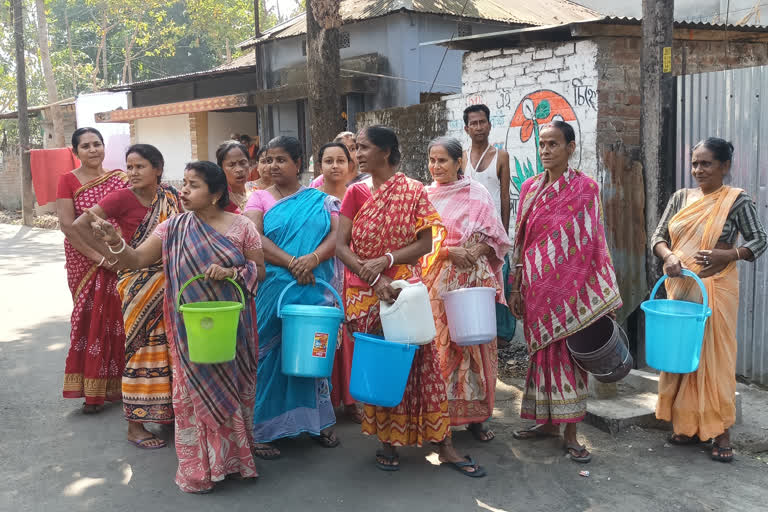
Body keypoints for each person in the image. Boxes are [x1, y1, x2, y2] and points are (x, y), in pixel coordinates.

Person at [87, 160, 265, 493]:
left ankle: (235, 462)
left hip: (232, 330)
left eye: (193, 185)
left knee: (235, 392)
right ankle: (199, 470)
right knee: (192, 398)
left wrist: (233, 273)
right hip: (189, 334)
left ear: (214, 194)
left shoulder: (242, 227)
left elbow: (260, 270)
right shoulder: (172, 228)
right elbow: (136, 260)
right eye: (183, 183)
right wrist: (114, 240)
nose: (183, 190)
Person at [336, 125, 485, 477]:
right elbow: (342, 247)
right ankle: (387, 441)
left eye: (364, 148)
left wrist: (388, 262)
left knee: (423, 365)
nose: (357, 154)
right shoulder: (354, 194)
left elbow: (425, 242)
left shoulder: (413, 190)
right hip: (368, 291)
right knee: (383, 366)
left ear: (386, 152)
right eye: (356, 148)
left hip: (405, 291)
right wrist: (375, 277)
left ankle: (444, 444)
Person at [509, 121, 622, 464]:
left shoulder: (586, 188)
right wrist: (516, 287)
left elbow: (594, 242)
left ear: (570, 148)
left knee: (569, 359)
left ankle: (571, 432)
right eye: (542, 144)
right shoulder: (529, 188)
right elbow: (521, 243)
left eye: (553, 144)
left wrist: (596, 292)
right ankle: (546, 424)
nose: (545, 150)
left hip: (571, 291)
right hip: (536, 288)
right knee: (541, 357)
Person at [651, 138, 767, 463]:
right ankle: (686, 425)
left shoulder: (736, 201)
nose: (698, 170)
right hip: (680, 288)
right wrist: (669, 255)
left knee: (715, 359)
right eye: (695, 164)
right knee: (683, 354)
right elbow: (657, 237)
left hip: (716, 287)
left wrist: (729, 253)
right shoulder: (680, 198)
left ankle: (720, 430)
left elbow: (760, 240)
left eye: (706, 164)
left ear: (724, 167)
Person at [73, 144, 181, 448]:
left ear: (158, 169)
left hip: (171, 281)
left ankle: (167, 414)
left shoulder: (170, 196)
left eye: (140, 167)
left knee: (170, 350)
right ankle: (135, 426)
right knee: (141, 351)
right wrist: (109, 257)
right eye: (129, 166)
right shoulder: (122, 196)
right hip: (137, 281)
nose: (132, 173)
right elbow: (81, 224)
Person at [244, 136, 340, 459]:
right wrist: (292, 262)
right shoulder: (257, 197)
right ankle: (263, 430)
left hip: (312, 282)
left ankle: (316, 422)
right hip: (274, 286)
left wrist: (311, 260)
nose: (272, 166)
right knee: (269, 355)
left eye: (281, 159)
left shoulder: (319, 199)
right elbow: (253, 237)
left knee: (313, 351)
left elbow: (336, 236)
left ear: (299, 163)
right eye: (268, 159)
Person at [423, 137, 511, 442]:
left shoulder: (477, 192)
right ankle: (440, 417)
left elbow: (496, 235)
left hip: (473, 281)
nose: (436, 167)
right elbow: (418, 244)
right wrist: (448, 252)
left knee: (476, 347)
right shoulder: (424, 197)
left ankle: (476, 418)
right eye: (432, 160)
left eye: (442, 160)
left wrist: (478, 250)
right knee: (441, 349)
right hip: (437, 283)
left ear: (459, 162)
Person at [56, 127, 129, 414]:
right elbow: (66, 224)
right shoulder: (68, 181)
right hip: (84, 260)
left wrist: (119, 254)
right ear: (76, 152)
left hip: (120, 255)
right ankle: (92, 392)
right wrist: (99, 258)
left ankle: (125, 385)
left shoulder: (119, 179)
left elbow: (129, 215)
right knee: (90, 322)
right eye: (85, 146)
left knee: (120, 321)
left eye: (97, 144)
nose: (93, 150)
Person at [462, 104, 516, 346]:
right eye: (473, 123)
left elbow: (505, 198)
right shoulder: (461, 157)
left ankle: (501, 337)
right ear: (466, 128)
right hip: (470, 233)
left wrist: (502, 234)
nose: (478, 127)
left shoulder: (500, 157)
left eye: (482, 122)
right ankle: (477, 331)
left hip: (494, 233)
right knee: (475, 282)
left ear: (490, 125)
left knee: (499, 281)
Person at [217, 141, 252, 210]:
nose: (239, 169)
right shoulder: (218, 198)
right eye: (231, 165)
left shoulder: (255, 190)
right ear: (221, 168)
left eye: (243, 163)